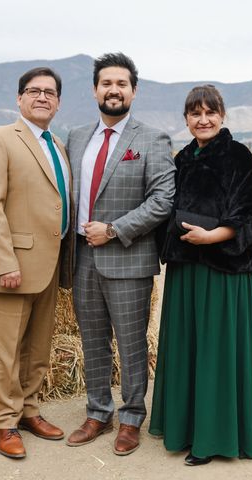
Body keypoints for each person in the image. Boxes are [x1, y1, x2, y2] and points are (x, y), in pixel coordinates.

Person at [149, 84, 252, 465]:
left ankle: (214, 437)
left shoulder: (240, 157)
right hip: (186, 272)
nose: (203, 120)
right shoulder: (181, 158)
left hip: (223, 271)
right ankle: (184, 429)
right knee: (187, 348)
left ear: (222, 115)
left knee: (216, 351)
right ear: (186, 119)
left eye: (210, 112)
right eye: (195, 113)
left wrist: (211, 236)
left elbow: (247, 213)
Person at [65, 52, 175, 456]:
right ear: (95, 89)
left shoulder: (152, 139)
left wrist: (114, 230)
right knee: (92, 341)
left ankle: (130, 418)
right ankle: (98, 412)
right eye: (107, 83)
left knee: (131, 344)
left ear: (134, 91)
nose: (114, 90)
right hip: (81, 259)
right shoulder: (77, 137)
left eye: (122, 84)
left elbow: (163, 199)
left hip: (128, 259)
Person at [0, 67, 73, 459]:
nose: (42, 97)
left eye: (50, 92)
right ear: (19, 99)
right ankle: (5, 421)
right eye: (34, 91)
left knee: (38, 347)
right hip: (14, 265)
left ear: (59, 102)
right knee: (7, 349)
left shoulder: (57, 145)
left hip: (51, 264)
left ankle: (29, 410)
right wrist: (3, 261)